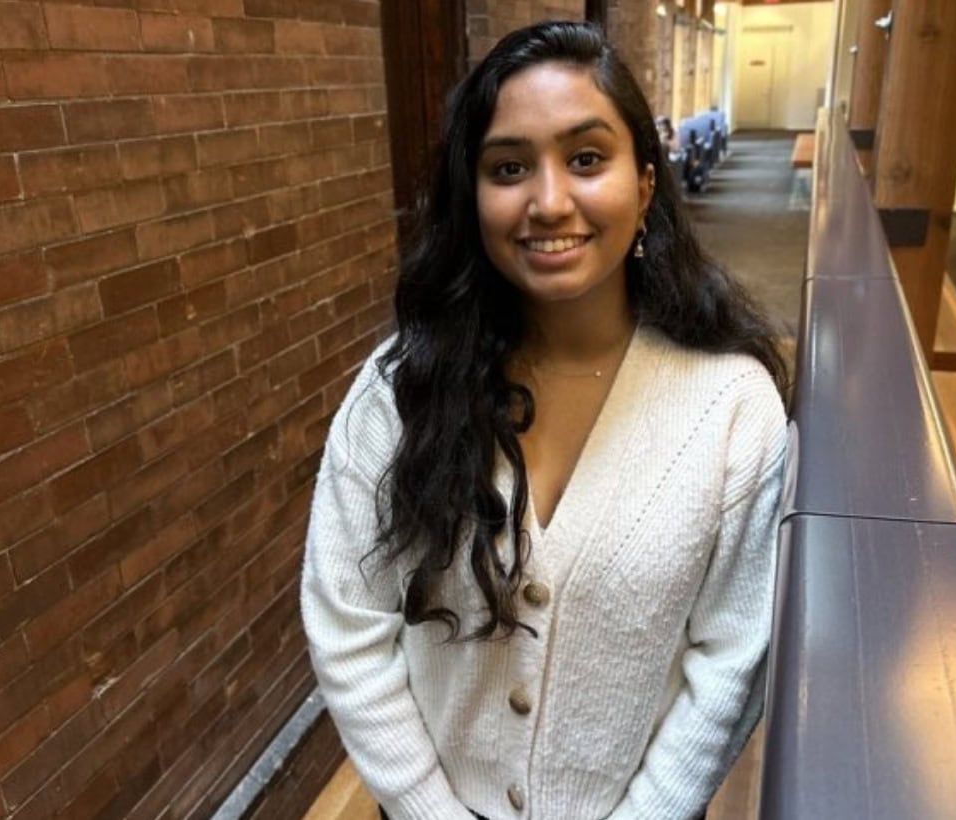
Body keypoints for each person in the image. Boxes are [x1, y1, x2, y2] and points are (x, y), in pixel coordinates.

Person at [301, 20, 788, 820]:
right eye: (509, 167)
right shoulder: (402, 389)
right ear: (474, 192)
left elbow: (733, 654)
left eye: (587, 158)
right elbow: (346, 620)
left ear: (645, 180)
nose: (549, 200)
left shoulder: (730, 408)